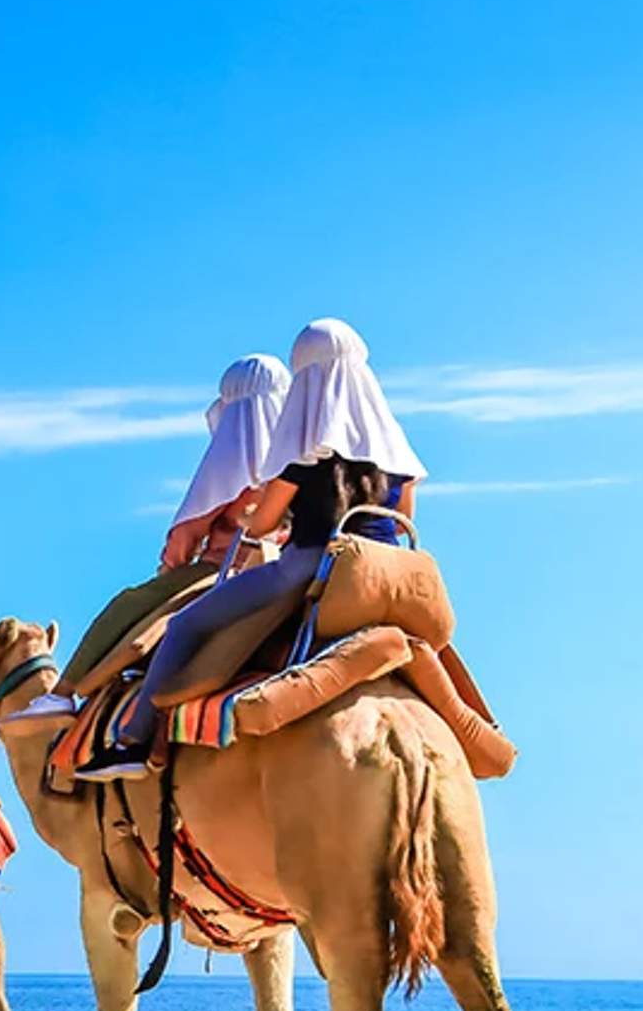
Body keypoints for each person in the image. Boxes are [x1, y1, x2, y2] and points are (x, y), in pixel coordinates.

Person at [76, 318, 426, 781]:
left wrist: (248, 515)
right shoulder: (396, 459)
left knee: (184, 626)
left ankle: (136, 741)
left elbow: (261, 525)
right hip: (382, 574)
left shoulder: (305, 457)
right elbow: (405, 521)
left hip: (308, 566)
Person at [53, 354, 293, 703]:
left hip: (221, 571)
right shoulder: (298, 459)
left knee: (130, 602)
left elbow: (185, 538)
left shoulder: (228, 464)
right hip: (287, 568)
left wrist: (170, 568)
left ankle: (63, 692)